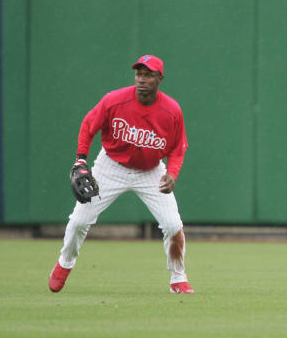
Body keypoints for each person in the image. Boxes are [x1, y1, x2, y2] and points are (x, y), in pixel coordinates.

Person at [48, 54, 194, 294]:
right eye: (139, 74)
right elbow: (88, 125)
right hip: (111, 167)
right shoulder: (114, 101)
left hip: (151, 171)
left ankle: (178, 278)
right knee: (79, 221)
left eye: (148, 75)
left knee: (172, 225)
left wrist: (173, 174)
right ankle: (65, 263)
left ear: (160, 79)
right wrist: (81, 159)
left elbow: (178, 149)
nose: (142, 79)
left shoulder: (171, 111)